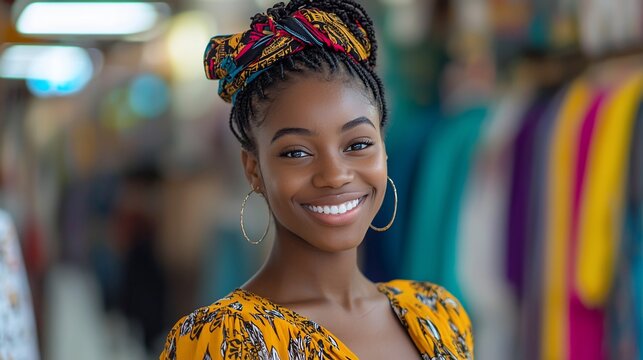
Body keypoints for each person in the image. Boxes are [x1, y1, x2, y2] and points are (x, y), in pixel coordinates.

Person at [160, 0, 474, 358]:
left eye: (357, 144)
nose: (334, 175)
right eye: (296, 152)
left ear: (384, 151)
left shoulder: (440, 315)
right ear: (253, 169)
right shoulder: (221, 339)